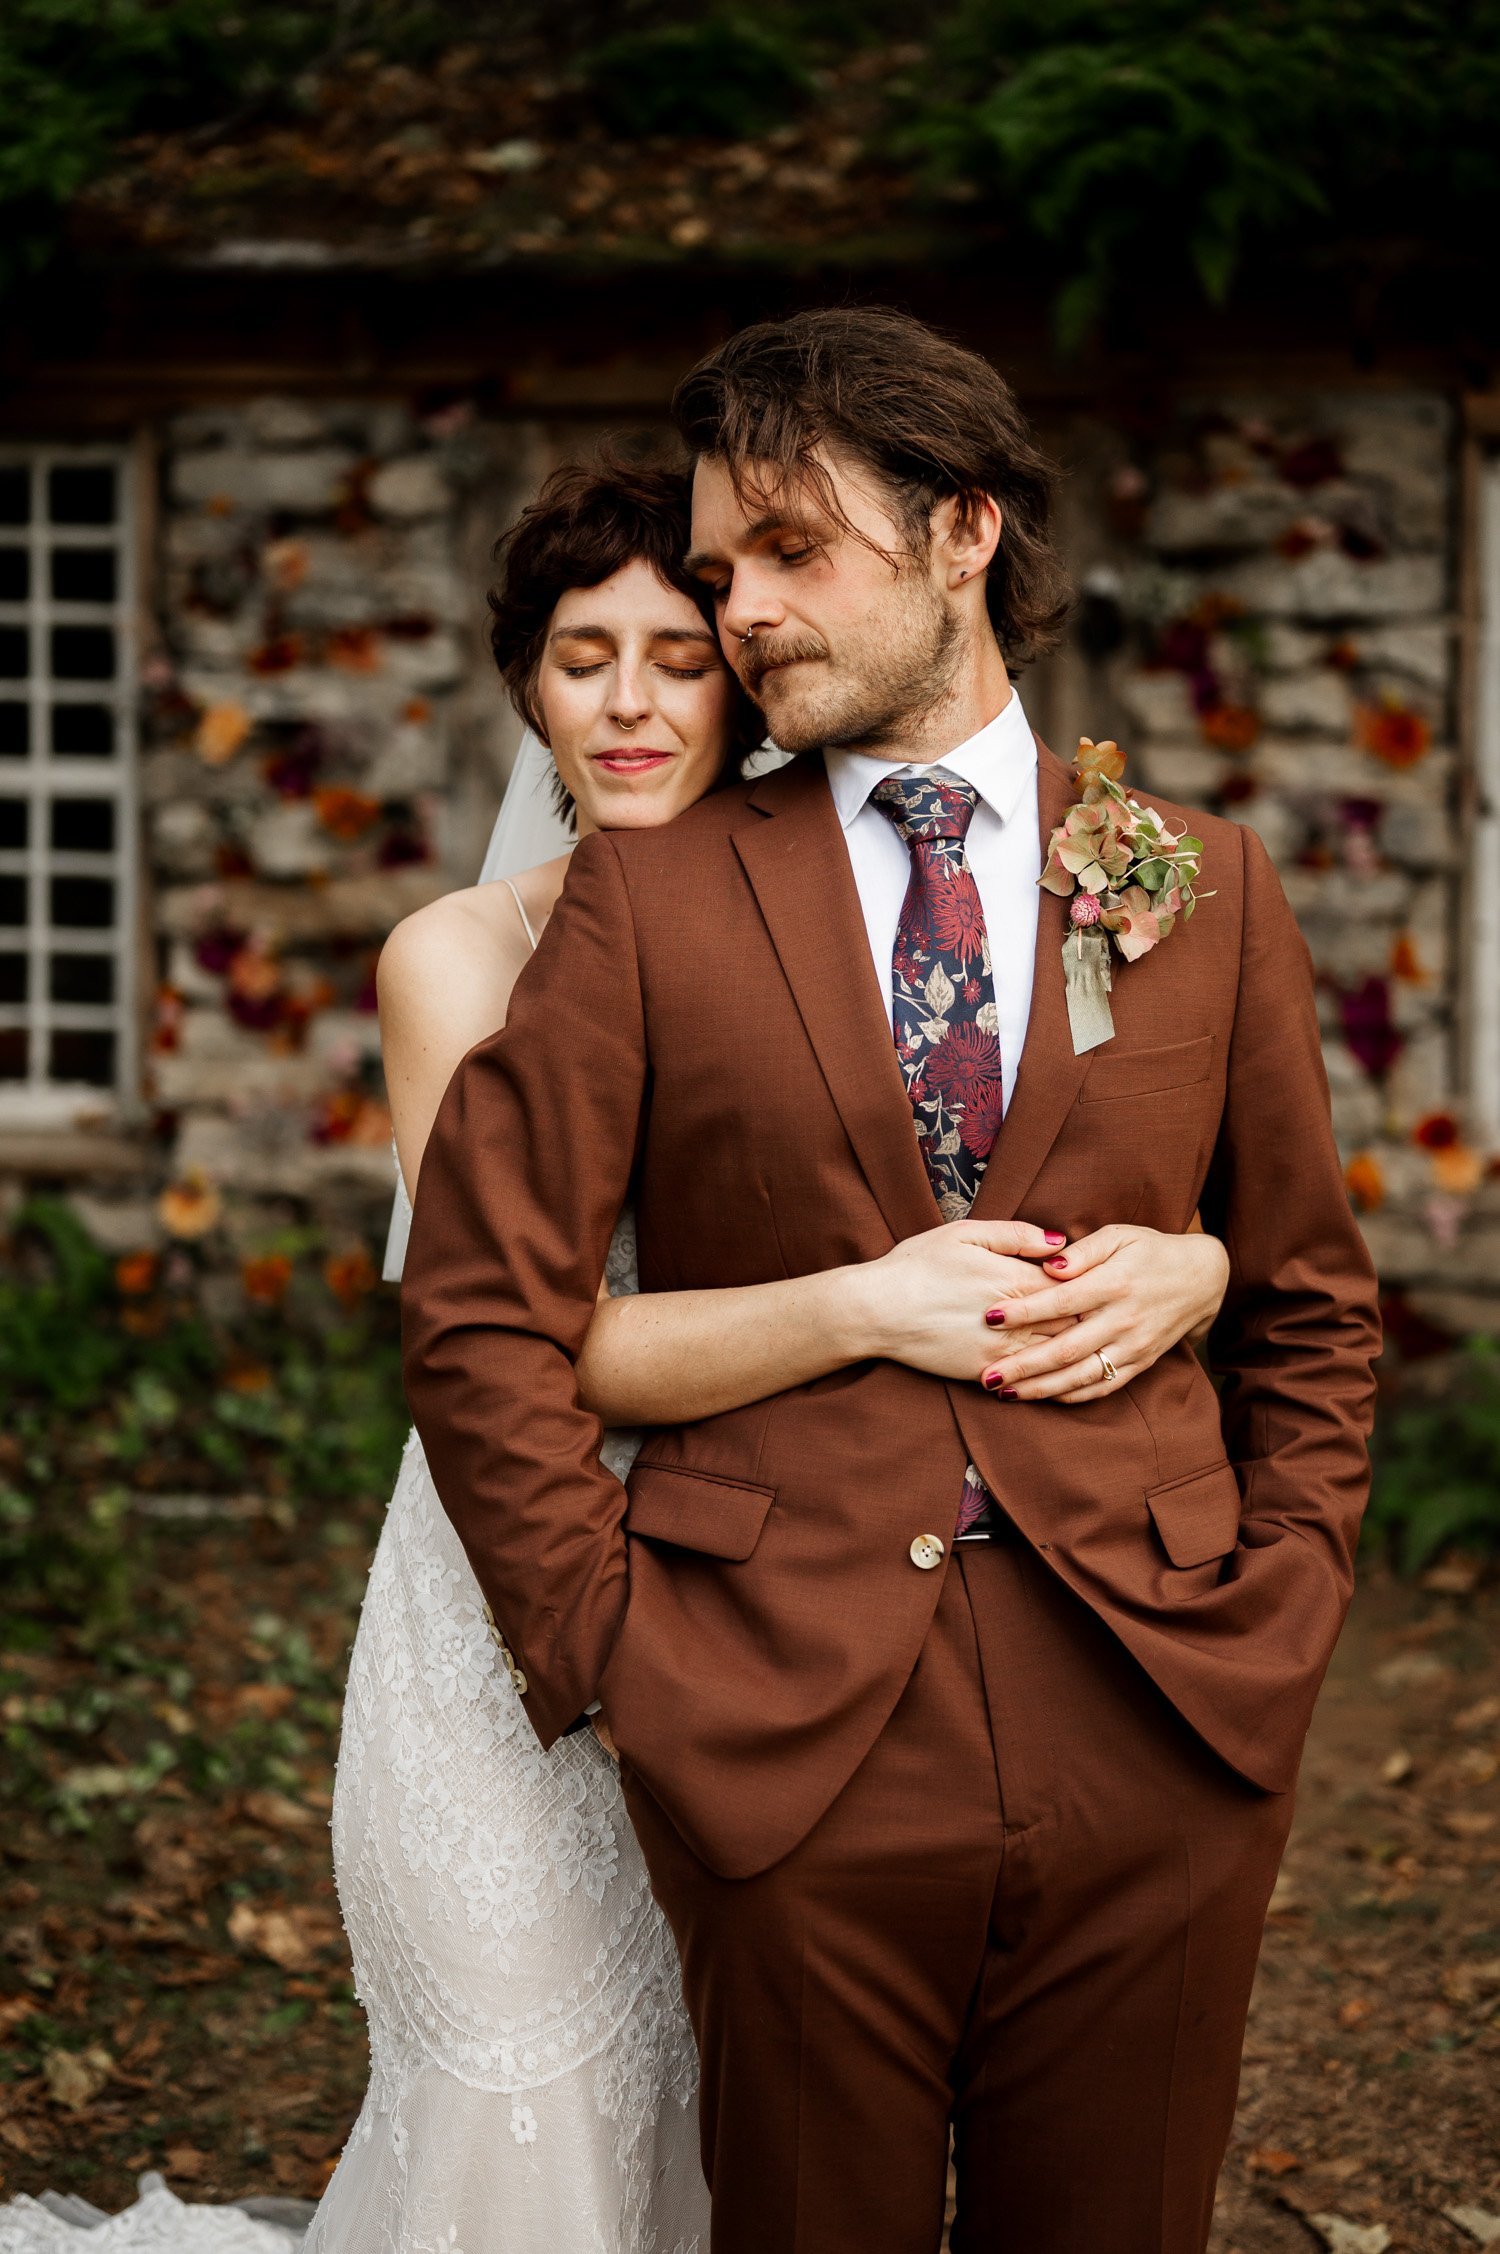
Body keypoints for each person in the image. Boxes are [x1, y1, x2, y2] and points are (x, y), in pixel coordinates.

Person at [401, 317, 1383, 2254]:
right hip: (776, 1724)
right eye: (716, 566)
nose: (737, 610)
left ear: (963, 533)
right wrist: (616, 1647)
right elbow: (479, 1307)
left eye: (788, 549)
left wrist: (1277, 1611)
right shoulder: (657, 893)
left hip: (1163, 1716)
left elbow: (1311, 1303)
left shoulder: (1199, 881)